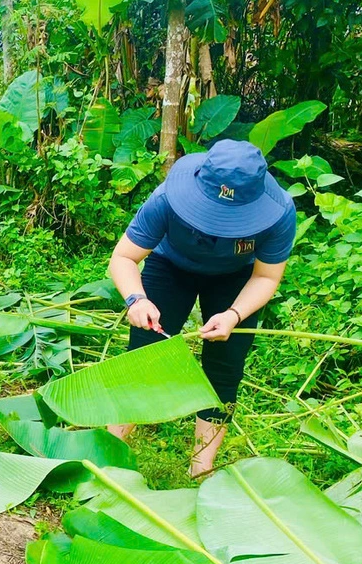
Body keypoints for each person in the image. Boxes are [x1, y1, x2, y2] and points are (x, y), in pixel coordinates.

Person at [107, 140, 295, 477]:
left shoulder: (278, 213)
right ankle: (110, 452)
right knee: (144, 357)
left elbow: (266, 277)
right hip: (171, 266)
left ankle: (201, 469)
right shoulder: (167, 198)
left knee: (225, 368)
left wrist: (234, 315)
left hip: (236, 279)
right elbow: (124, 257)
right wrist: (137, 299)